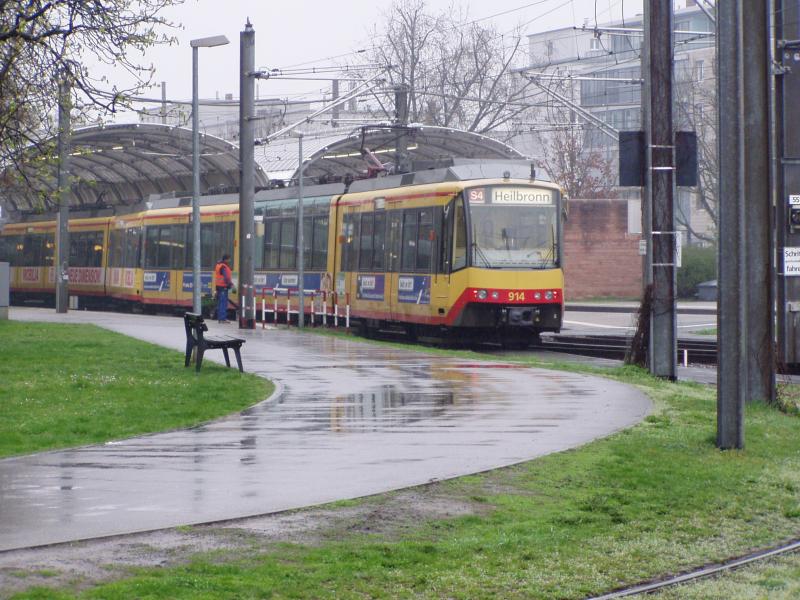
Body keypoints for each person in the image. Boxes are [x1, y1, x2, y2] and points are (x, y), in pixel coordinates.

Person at [214, 254, 233, 323]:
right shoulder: (223, 267)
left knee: (220, 303)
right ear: (226, 259)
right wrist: (230, 284)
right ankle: (222, 319)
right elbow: (226, 277)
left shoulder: (219, 265)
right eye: (229, 259)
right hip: (223, 286)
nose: (230, 261)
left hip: (219, 286)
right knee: (223, 303)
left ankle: (221, 318)